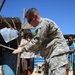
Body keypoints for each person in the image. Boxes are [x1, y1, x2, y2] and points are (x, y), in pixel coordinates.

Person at [13, 8, 69, 75]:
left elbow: (37, 41)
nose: (29, 23)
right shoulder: (40, 26)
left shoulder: (44, 23)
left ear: (35, 16)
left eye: (29, 20)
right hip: (50, 55)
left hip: (57, 53)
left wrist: (22, 49)